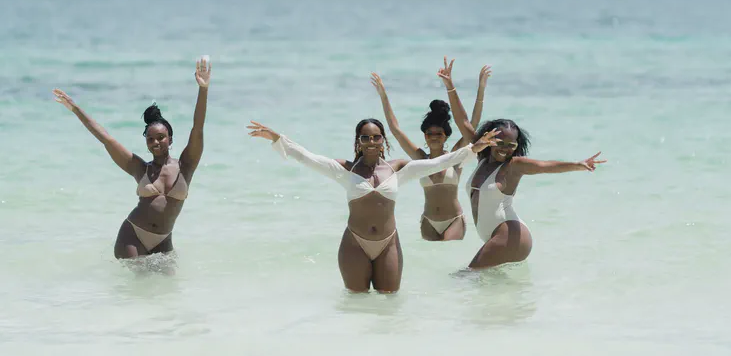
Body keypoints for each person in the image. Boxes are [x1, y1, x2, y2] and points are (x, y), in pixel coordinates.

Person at [247, 117, 500, 292]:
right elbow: (306, 157)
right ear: (358, 141)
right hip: (354, 243)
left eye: (376, 138)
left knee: (389, 304)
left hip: (388, 242)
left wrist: (473, 148)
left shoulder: (399, 169)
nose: (371, 142)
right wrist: (277, 138)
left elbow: (439, 163)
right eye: (365, 137)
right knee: (357, 306)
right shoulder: (344, 170)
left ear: (383, 141)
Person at [437, 57, 606, 269]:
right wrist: (450, 86)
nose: (505, 149)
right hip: (498, 238)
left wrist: (578, 164)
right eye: (500, 142)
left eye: (511, 145)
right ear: (490, 139)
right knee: (494, 295)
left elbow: (546, 166)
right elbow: (463, 122)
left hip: (509, 235)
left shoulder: (514, 166)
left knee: (465, 279)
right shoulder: (482, 156)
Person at [53, 56, 211, 261]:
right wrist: (76, 109)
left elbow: (197, 128)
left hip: (164, 239)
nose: (156, 142)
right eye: (150, 139)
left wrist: (203, 89)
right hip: (133, 237)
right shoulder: (140, 168)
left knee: (167, 291)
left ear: (170, 139)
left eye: (161, 137)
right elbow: (106, 139)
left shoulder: (186, 165)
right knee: (139, 289)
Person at [370, 66, 490, 241]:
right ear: (425, 137)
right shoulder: (420, 159)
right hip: (428, 221)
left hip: (453, 221)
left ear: (445, 136)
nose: (434, 137)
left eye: (438, 134)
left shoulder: (455, 157)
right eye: (429, 134)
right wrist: (383, 95)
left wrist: (481, 89)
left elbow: (472, 124)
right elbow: (395, 130)